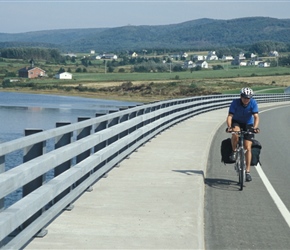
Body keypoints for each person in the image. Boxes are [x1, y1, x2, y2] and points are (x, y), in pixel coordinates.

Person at [226, 87, 260, 182]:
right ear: (241, 97)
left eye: (248, 98)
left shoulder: (253, 103)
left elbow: (256, 117)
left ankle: (247, 172)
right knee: (235, 133)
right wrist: (229, 127)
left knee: (248, 147)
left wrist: (255, 127)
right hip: (236, 121)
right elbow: (230, 116)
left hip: (248, 123)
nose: (246, 100)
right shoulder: (235, 103)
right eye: (245, 97)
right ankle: (233, 151)